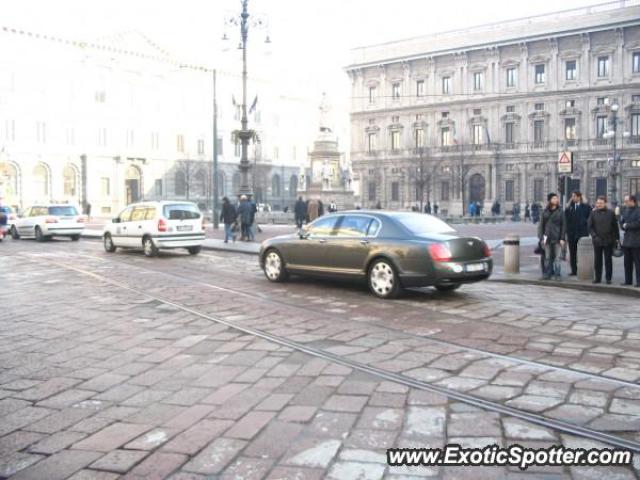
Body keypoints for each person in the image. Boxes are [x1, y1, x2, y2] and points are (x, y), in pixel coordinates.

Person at [588, 196, 620, 284]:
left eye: (601, 203)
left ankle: (608, 278)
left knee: (608, 260)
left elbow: (615, 227)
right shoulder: (593, 213)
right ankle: (597, 278)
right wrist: (594, 236)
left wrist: (617, 240)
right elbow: (590, 227)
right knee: (597, 260)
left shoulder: (611, 213)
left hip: (608, 240)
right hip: (597, 240)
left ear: (605, 203)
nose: (599, 205)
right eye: (597, 203)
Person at [538, 193, 566, 280]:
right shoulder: (544, 212)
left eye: (556, 198)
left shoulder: (561, 212)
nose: (556, 200)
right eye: (554, 198)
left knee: (557, 258)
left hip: (557, 237)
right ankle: (547, 273)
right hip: (547, 237)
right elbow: (541, 225)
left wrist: (562, 238)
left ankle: (557, 274)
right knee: (547, 257)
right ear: (550, 200)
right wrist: (541, 238)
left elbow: (564, 226)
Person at [564, 191, 591, 277]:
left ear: (579, 197)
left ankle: (583, 269)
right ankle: (574, 270)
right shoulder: (569, 207)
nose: (573, 198)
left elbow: (589, 219)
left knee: (582, 252)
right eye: (572, 196)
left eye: (575, 196)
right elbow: (566, 220)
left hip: (582, 233)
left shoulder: (586, 207)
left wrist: (587, 229)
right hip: (572, 233)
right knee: (573, 253)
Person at [620, 195, 640, 287]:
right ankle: (628, 280)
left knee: (637, 263)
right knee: (627, 263)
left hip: (636, 241)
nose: (625, 203)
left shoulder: (638, 210)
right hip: (627, 240)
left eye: (627, 201)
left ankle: (639, 281)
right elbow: (622, 222)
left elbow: (638, 223)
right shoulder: (626, 210)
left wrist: (627, 225)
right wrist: (623, 225)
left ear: (632, 201)